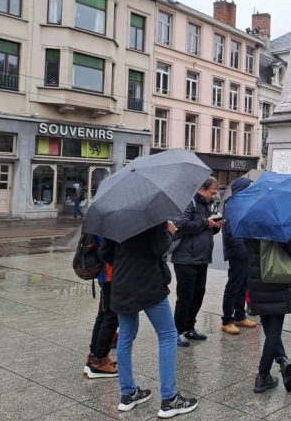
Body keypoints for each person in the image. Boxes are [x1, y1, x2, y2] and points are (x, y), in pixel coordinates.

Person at [99, 222, 198, 418]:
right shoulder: (152, 216)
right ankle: (170, 399)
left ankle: (128, 394)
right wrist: (169, 232)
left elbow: (105, 253)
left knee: (125, 336)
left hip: (122, 283)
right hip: (149, 284)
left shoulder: (114, 218)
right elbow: (160, 247)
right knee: (168, 335)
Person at [171, 177, 223, 347]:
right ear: (201, 189)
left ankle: (189, 327)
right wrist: (205, 223)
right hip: (186, 258)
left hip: (201, 257)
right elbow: (181, 225)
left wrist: (215, 226)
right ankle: (178, 331)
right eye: (212, 193)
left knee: (198, 294)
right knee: (185, 296)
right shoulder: (188, 202)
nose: (214, 196)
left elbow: (206, 230)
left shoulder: (208, 205)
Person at [246, 235, 291, 393]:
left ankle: (282, 359)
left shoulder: (249, 225)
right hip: (278, 279)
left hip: (256, 280)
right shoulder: (280, 223)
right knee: (274, 332)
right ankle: (262, 376)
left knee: (269, 328)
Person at [220, 178, 258, 335]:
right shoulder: (232, 205)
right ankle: (227, 320)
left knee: (243, 285)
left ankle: (240, 316)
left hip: (246, 252)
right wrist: (244, 253)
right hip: (237, 253)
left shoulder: (244, 204)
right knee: (234, 286)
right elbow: (231, 233)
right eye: (250, 188)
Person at [85, 237, 119, 379]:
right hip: (110, 274)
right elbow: (107, 249)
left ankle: (94, 356)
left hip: (105, 274)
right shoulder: (108, 226)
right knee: (111, 318)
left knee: (103, 316)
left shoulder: (99, 223)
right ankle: (99, 362)